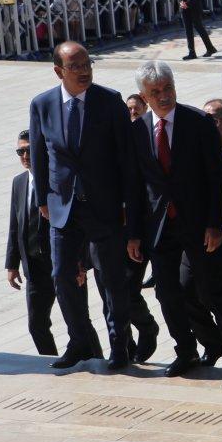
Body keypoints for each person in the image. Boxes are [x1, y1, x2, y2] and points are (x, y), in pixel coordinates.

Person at [28, 42, 141, 370]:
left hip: (104, 207)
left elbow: (126, 160)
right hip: (62, 207)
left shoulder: (110, 102)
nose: (84, 70)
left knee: (111, 279)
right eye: (75, 66)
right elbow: (38, 155)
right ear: (58, 71)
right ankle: (79, 341)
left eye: (87, 63)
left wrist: (126, 205)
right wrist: (42, 201)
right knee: (62, 274)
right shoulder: (42, 105)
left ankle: (120, 345)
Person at [128, 61, 222, 377]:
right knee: (167, 293)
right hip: (159, 228)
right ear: (144, 96)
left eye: (167, 89)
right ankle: (185, 351)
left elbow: (216, 177)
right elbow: (134, 186)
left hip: (198, 224)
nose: (163, 96)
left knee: (207, 290)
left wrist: (215, 224)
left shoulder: (198, 123)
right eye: (155, 92)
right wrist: (133, 233)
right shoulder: (137, 130)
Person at [6, 129, 59, 356]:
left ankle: (94, 359)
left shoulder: (56, 179)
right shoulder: (19, 182)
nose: (25, 155)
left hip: (59, 264)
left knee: (78, 321)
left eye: (29, 150)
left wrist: (79, 263)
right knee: (36, 324)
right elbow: (15, 225)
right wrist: (11, 264)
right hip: (34, 268)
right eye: (20, 151)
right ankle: (50, 359)